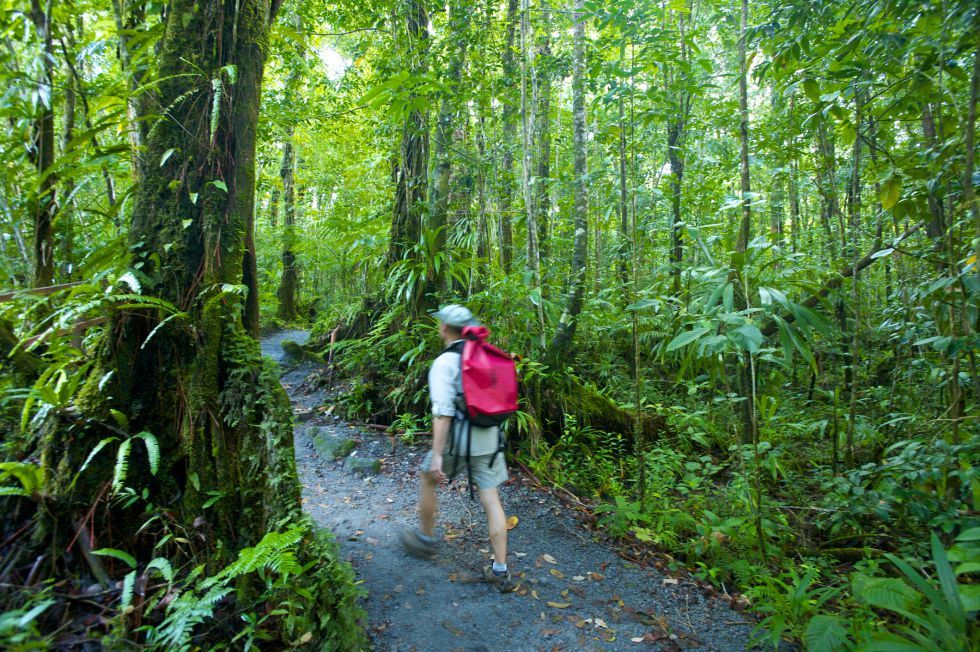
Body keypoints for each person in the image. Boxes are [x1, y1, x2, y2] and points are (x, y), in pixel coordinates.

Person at [399, 304, 514, 592]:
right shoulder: (487, 355)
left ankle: (425, 539)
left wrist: (437, 454)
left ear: (445, 328)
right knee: (491, 499)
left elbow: (443, 413)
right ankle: (500, 569)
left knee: (427, 478)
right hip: (490, 438)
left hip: (457, 441)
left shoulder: (445, 363)